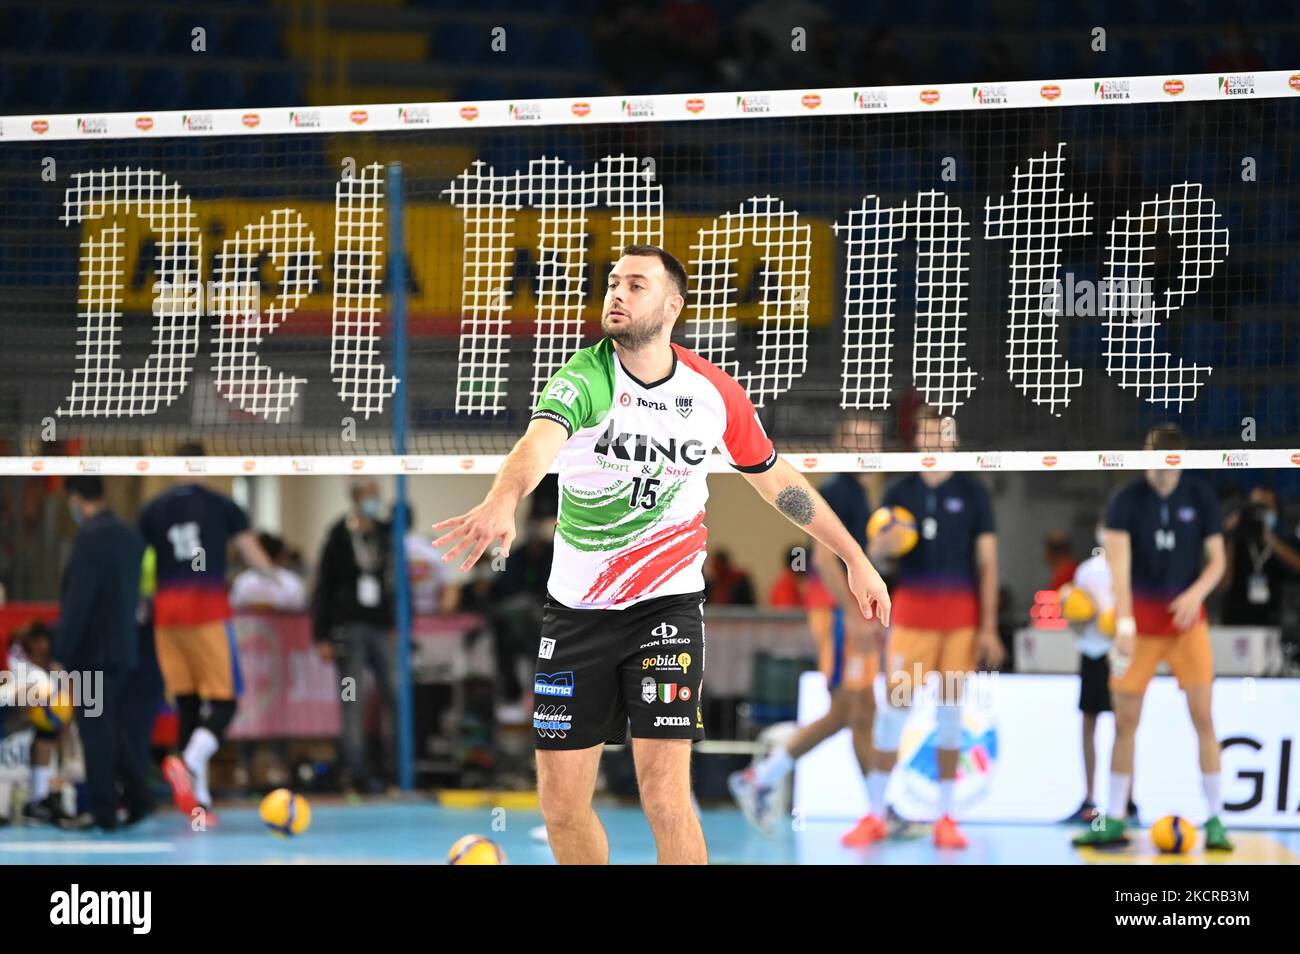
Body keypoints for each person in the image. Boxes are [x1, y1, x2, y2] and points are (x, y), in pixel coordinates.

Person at [433, 244, 890, 865]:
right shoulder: (586, 376)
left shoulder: (715, 394)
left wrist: (853, 557)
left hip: (666, 610)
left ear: (672, 305)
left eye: (636, 285)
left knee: (667, 795)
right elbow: (535, 447)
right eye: (613, 282)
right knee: (563, 808)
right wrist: (501, 498)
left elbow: (781, 484)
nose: (616, 293)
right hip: (577, 615)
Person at [730, 411, 892, 844]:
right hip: (839, 614)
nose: (867, 447)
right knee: (855, 710)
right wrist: (856, 616)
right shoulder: (842, 488)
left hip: (843, 613)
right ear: (842, 443)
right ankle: (764, 778)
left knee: (855, 712)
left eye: (872, 438)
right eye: (858, 438)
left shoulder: (861, 491)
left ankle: (873, 810)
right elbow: (822, 559)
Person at [1074, 424, 1232, 850]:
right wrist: (1124, 624)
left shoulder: (1199, 497)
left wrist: (1195, 594)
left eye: (1167, 464)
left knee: (1203, 718)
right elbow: (1118, 568)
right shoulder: (1126, 499)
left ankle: (1216, 819)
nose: (1160, 471)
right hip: (1139, 627)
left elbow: (1217, 560)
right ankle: (1116, 817)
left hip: (1186, 626)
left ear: (1179, 460)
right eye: (1153, 462)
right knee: (1124, 722)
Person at [868, 406, 1003, 849]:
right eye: (928, 431)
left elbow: (987, 564)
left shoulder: (973, 491)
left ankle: (946, 817)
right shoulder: (899, 488)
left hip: (960, 624)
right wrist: (880, 546)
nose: (936, 439)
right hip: (911, 621)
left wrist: (989, 627)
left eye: (944, 432)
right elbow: (878, 560)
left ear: (954, 439)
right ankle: (874, 815)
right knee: (894, 714)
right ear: (917, 438)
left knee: (949, 719)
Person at [138, 446, 274, 819]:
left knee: (188, 703)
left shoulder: (153, 510)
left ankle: (198, 803)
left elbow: (140, 560)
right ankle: (188, 759)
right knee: (227, 703)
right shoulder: (222, 505)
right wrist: (279, 579)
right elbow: (253, 554)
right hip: (206, 611)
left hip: (167, 615)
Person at [55, 476, 148, 831]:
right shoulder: (130, 536)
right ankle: (139, 799)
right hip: (123, 649)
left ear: (76, 497)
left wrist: (63, 651)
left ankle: (103, 811)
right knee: (111, 727)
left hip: (91, 654)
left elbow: (80, 601)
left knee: (96, 731)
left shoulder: (91, 539)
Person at [311, 478, 397, 795]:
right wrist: (321, 635)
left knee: (395, 694)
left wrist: (395, 621)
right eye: (370, 495)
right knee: (353, 701)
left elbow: (395, 580)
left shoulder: (386, 534)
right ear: (357, 499)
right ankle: (356, 773)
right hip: (348, 628)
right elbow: (323, 587)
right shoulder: (338, 535)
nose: (376, 500)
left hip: (380, 626)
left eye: (378, 495)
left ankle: (394, 770)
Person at [1057, 524, 1137, 825]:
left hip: (1119, 654)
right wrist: (1075, 612)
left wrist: (1118, 628)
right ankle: (1090, 799)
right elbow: (1074, 619)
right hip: (1092, 652)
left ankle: (1127, 800)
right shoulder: (1087, 570)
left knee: (1125, 724)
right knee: (1089, 723)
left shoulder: (1131, 568)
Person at [1219, 486, 1300, 626]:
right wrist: (1229, 536)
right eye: (1257, 506)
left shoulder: (1287, 542)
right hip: (1237, 621)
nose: (1261, 511)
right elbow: (1223, 585)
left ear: (1277, 510)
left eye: (1267, 505)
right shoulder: (1236, 542)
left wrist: (1270, 540)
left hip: (1276, 622)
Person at [230, 533, 308, 611]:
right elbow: (300, 611)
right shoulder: (291, 582)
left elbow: (234, 606)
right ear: (280, 555)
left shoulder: (243, 580)